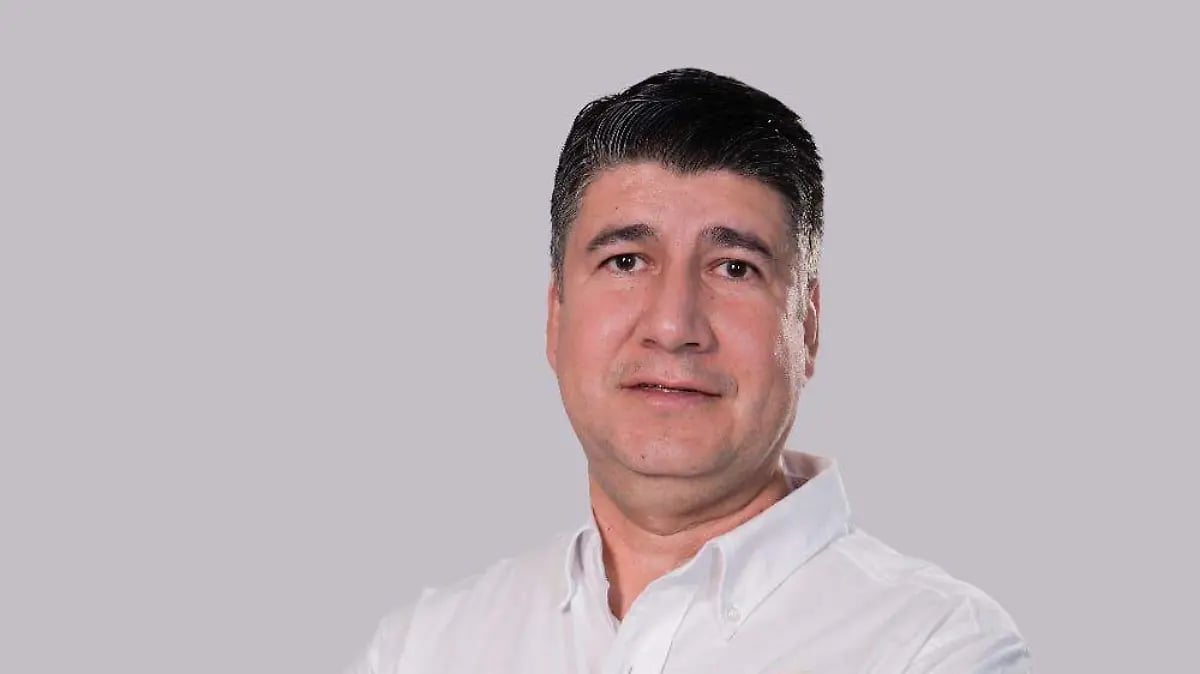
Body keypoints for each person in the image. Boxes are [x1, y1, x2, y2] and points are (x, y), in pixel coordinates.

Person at [344, 67, 1031, 674]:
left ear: (808, 325)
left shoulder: (935, 648)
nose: (673, 325)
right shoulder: (425, 648)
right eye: (626, 261)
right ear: (556, 316)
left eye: (734, 268)